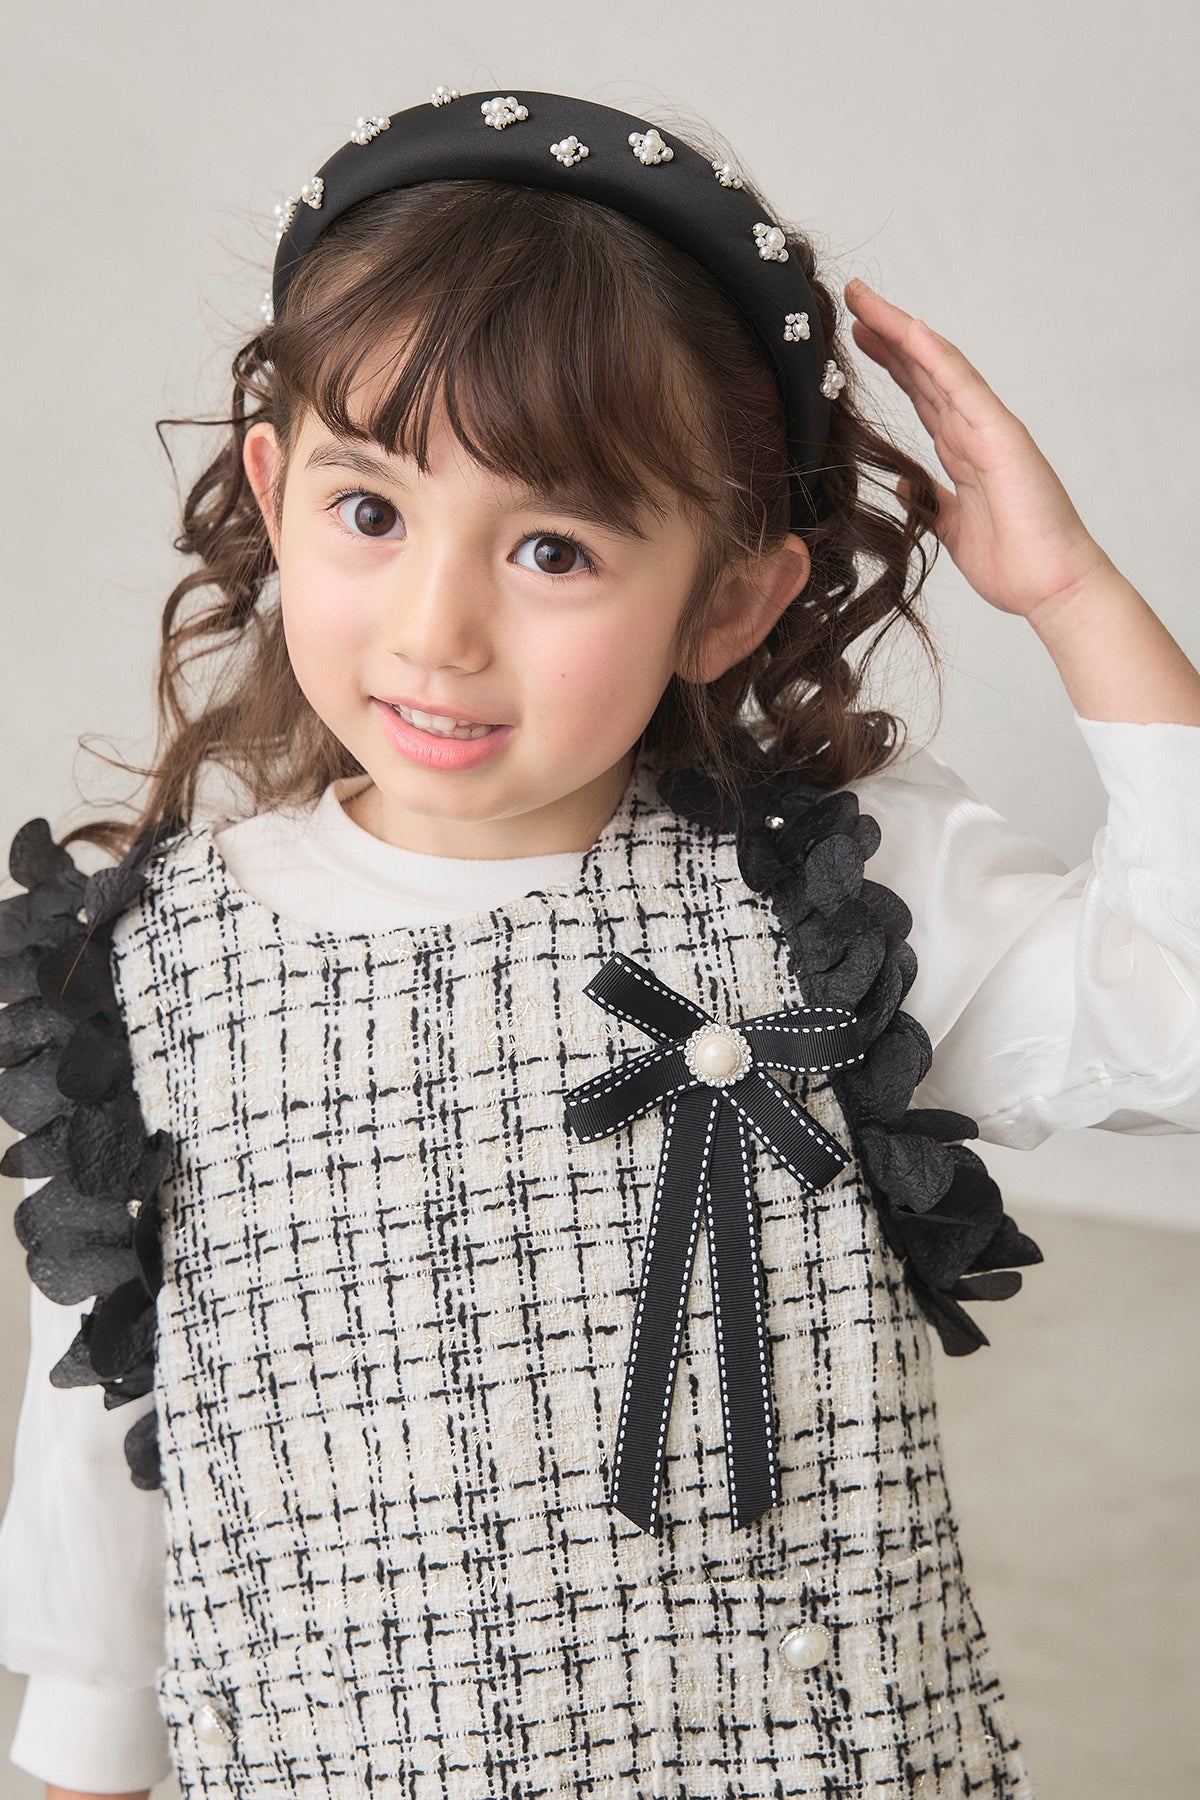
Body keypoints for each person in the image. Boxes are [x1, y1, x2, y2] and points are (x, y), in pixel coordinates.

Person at [0, 86, 1197, 1800]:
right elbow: (110, 1481)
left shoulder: (831, 904)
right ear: (274, 489)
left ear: (727, 600)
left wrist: (1077, 598)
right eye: (371, 512)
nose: (438, 629)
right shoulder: (145, 974)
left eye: (553, 548)